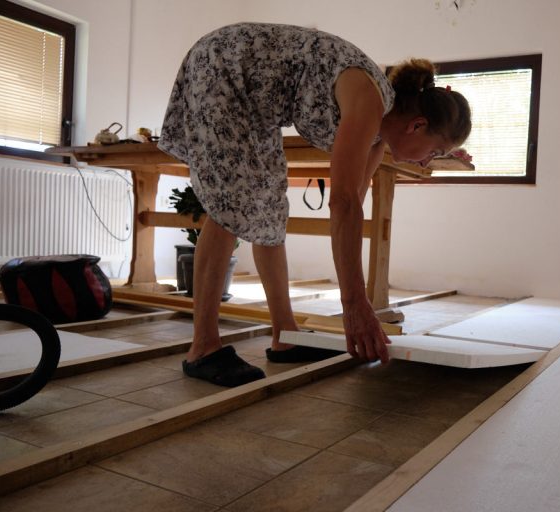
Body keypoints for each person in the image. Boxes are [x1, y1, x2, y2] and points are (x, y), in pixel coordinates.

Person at [158, 22, 472, 387]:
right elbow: (341, 203)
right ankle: (203, 348)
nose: (426, 162)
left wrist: (356, 302)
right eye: (434, 152)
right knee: (235, 204)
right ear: (417, 125)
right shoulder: (371, 101)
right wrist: (354, 305)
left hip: (253, 102)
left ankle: (285, 336)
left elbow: (354, 199)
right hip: (223, 67)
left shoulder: (378, 134)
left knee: (270, 210)